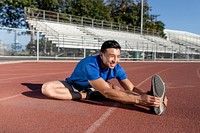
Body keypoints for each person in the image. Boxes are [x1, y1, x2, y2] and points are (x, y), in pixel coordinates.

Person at [42, 40, 168, 115]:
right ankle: (87, 95)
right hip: (75, 85)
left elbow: (131, 87)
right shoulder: (90, 64)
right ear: (101, 55)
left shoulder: (117, 67)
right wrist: (139, 99)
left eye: (118, 56)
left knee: (119, 91)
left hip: (98, 87)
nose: (115, 60)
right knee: (47, 89)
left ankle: (152, 103)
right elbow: (106, 92)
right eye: (112, 56)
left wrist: (148, 96)